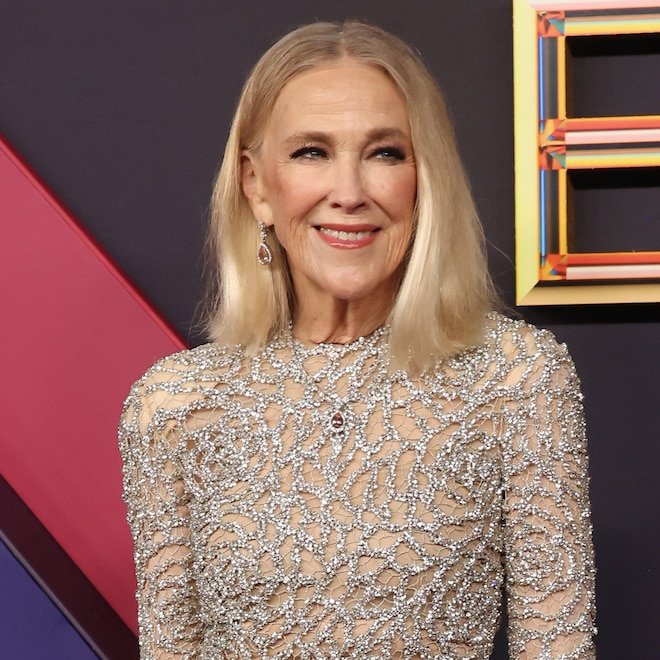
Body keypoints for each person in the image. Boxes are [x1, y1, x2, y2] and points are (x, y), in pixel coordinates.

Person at [118, 20, 597, 659]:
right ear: (256, 185)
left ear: (425, 180)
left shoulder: (517, 379)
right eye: (311, 152)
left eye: (385, 153)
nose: (348, 193)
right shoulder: (174, 406)